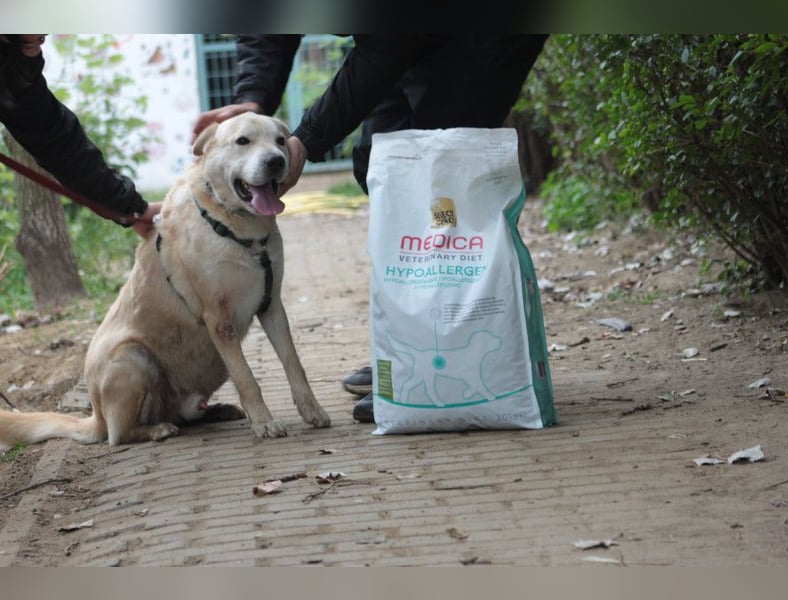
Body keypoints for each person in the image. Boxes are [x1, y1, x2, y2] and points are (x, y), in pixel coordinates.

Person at [194, 34, 548, 422]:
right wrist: (253, 96)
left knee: (438, 164)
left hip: (481, 31)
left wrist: (306, 138)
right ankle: (407, 351)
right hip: (405, 37)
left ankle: (447, 360)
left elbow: (389, 45)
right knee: (378, 160)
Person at [0, 34, 158, 238]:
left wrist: (134, 210)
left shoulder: (13, 67)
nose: (34, 52)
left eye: (41, 39)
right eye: (34, 40)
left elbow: (59, 143)